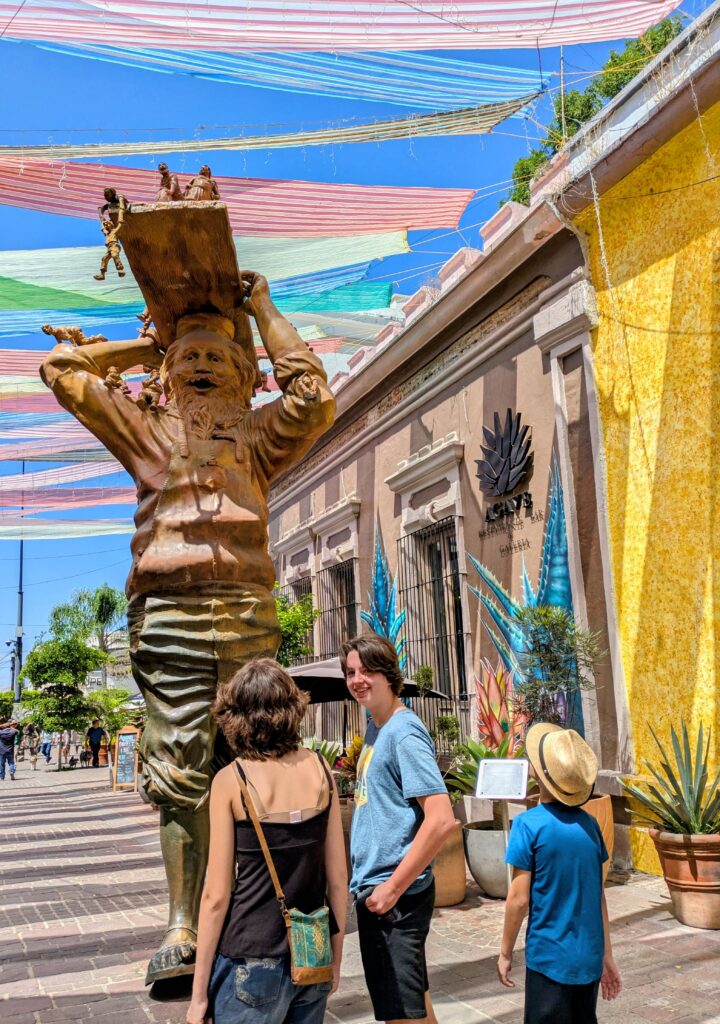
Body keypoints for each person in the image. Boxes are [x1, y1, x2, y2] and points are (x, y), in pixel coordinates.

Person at [41, 268, 335, 983]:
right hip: (169, 618)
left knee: (258, 756)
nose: (202, 367)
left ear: (245, 376)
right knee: (179, 771)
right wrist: (147, 350)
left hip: (247, 613)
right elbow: (63, 370)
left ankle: (255, 908)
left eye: (217, 359)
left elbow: (314, 399)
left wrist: (262, 308)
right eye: (188, 359)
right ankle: (182, 924)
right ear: (168, 378)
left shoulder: (259, 437)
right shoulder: (147, 430)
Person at [186, 659, 347, 1024]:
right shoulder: (322, 770)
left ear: (235, 715)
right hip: (312, 953)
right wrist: (335, 958)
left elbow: (216, 896)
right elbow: (338, 878)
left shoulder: (231, 781)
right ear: (292, 708)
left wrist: (198, 995)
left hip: (251, 954)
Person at [341, 635, 456, 1024]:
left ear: (389, 674)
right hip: (385, 893)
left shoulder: (403, 732)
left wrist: (391, 889)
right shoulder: (377, 727)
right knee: (416, 1009)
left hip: (394, 897)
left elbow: (441, 818)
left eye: (367, 671)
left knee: (402, 1017)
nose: (357, 680)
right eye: (350, 672)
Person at [498, 723, 622, 1024]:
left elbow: (518, 899)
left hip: (549, 958)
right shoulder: (590, 826)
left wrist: (505, 952)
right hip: (589, 958)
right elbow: (598, 896)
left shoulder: (528, 825)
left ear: (540, 775)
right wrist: (607, 955)